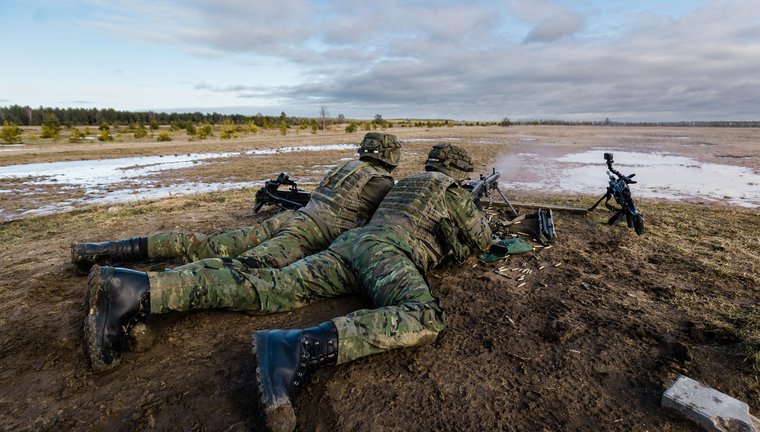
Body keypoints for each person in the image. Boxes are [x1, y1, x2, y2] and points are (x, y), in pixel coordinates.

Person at [83, 144, 491, 432]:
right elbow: (482, 241)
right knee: (425, 316)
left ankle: (140, 288)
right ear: (457, 173)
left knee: (276, 285)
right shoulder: (451, 193)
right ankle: (296, 348)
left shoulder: (401, 184)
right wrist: (477, 205)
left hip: (348, 245)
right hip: (384, 252)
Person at [71, 132, 401, 275]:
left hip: (290, 219)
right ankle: (142, 282)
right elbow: (385, 224)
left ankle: (102, 251)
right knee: (244, 268)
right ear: (390, 156)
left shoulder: (345, 166)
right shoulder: (381, 182)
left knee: (213, 244)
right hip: (305, 234)